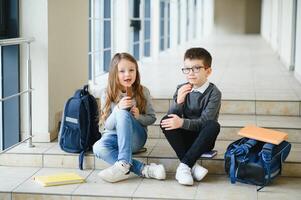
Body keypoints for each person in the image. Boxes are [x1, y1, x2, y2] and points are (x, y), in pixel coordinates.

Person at [93, 52, 166, 183]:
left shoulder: (143, 92)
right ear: (115, 74)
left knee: (122, 113)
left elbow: (152, 118)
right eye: (122, 71)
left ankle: (124, 164)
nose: (128, 74)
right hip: (114, 137)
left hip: (135, 139)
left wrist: (138, 117)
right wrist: (117, 110)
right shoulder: (106, 93)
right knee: (98, 147)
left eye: (132, 70)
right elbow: (105, 127)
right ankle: (143, 169)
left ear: (136, 72)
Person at [160, 47, 221, 186]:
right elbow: (172, 115)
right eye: (187, 69)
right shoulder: (181, 88)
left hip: (203, 139)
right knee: (166, 120)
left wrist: (182, 123)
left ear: (208, 71)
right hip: (184, 139)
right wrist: (178, 101)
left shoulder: (214, 93)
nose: (191, 73)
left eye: (196, 68)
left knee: (213, 125)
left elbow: (205, 121)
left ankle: (184, 165)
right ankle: (190, 167)